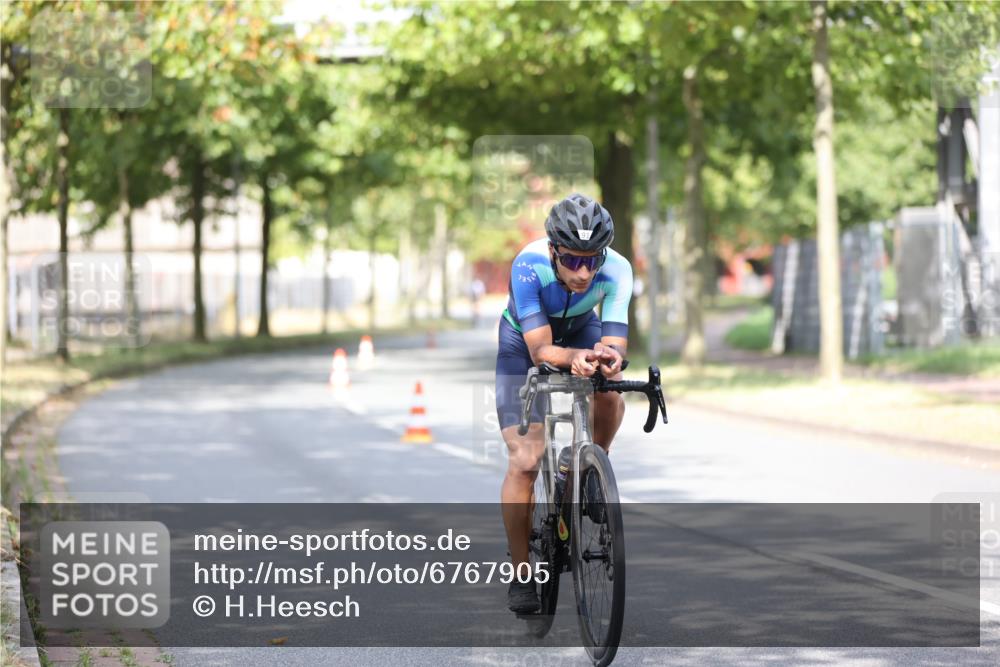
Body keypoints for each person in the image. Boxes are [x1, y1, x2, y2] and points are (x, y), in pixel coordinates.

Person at [495, 193, 633, 613]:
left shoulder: (618, 270)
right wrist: (572, 357)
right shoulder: (528, 266)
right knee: (525, 459)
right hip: (524, 342)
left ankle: (588, 468)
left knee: (611, 389)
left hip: (579, 329)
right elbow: (540, 351)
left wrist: (607, 359)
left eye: (593, 259)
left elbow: (614, 343)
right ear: (553, 251)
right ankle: (521, 573)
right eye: (573, 260)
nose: (584, 271)